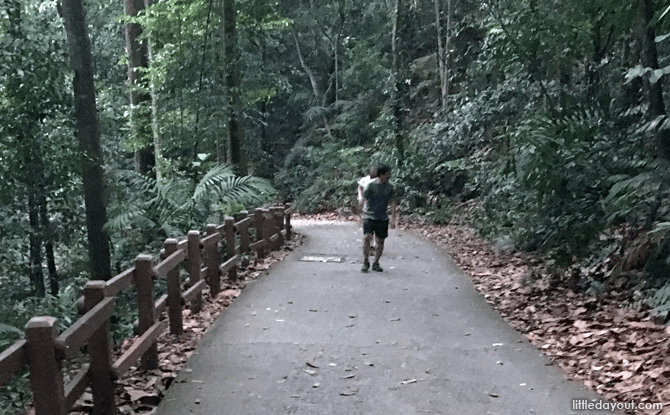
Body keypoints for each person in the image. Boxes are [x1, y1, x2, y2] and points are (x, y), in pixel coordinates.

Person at [361, 164, 396, 273]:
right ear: (381, 174)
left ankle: (376, 262)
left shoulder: (390, 187)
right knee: (367, 237)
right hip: (369, 215)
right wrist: (360, 212)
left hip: (382, 217)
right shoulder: (370, 185)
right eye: (387, 174)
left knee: (380, 241)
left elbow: (393, 203)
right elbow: (363, 198)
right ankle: (366, 261)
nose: (389, 176)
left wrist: (393, 218)